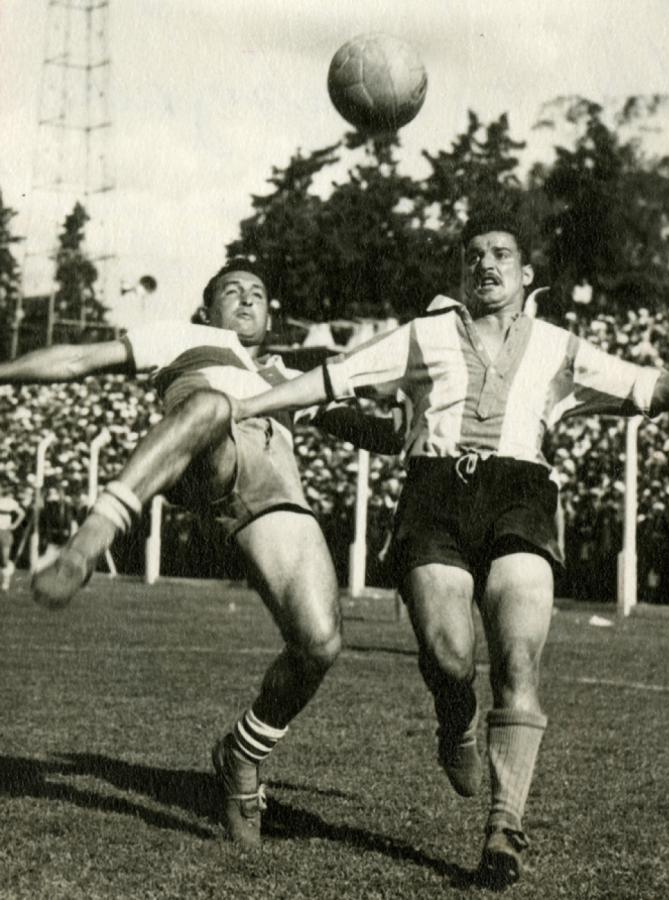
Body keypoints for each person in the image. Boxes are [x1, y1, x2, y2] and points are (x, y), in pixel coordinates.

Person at [228, 210, 669, 888]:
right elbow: (331, 381)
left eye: (500, 254)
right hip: (434, 495)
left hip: (520, 494)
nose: (485, 264)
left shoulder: (559, 346)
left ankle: (504, 826)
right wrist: (245, 406)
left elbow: (661, 388)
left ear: (526, 275)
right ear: (461, 273)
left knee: (517, 654)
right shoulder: (424, 335)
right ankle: (453, 720)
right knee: (447, 657)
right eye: (472, 256)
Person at [0, 258, 397, 850]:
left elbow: (372, 434)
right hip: (205, 455)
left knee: (319, 644)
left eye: (257, 294)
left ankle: (242, 754)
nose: (246, 300)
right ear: (206, 309)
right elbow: (78, 359)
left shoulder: (288, 375)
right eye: (231, 292)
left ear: (270, 313)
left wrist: (415, 409)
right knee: (212, 405)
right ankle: (92, 538)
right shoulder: (182, 338)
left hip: (273, 490)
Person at [0, 494, 24, 591]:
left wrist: (14, 525)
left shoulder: (9, 501)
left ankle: (6, 581)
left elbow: (22, 513)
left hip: (5, 532)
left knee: (4, 559)